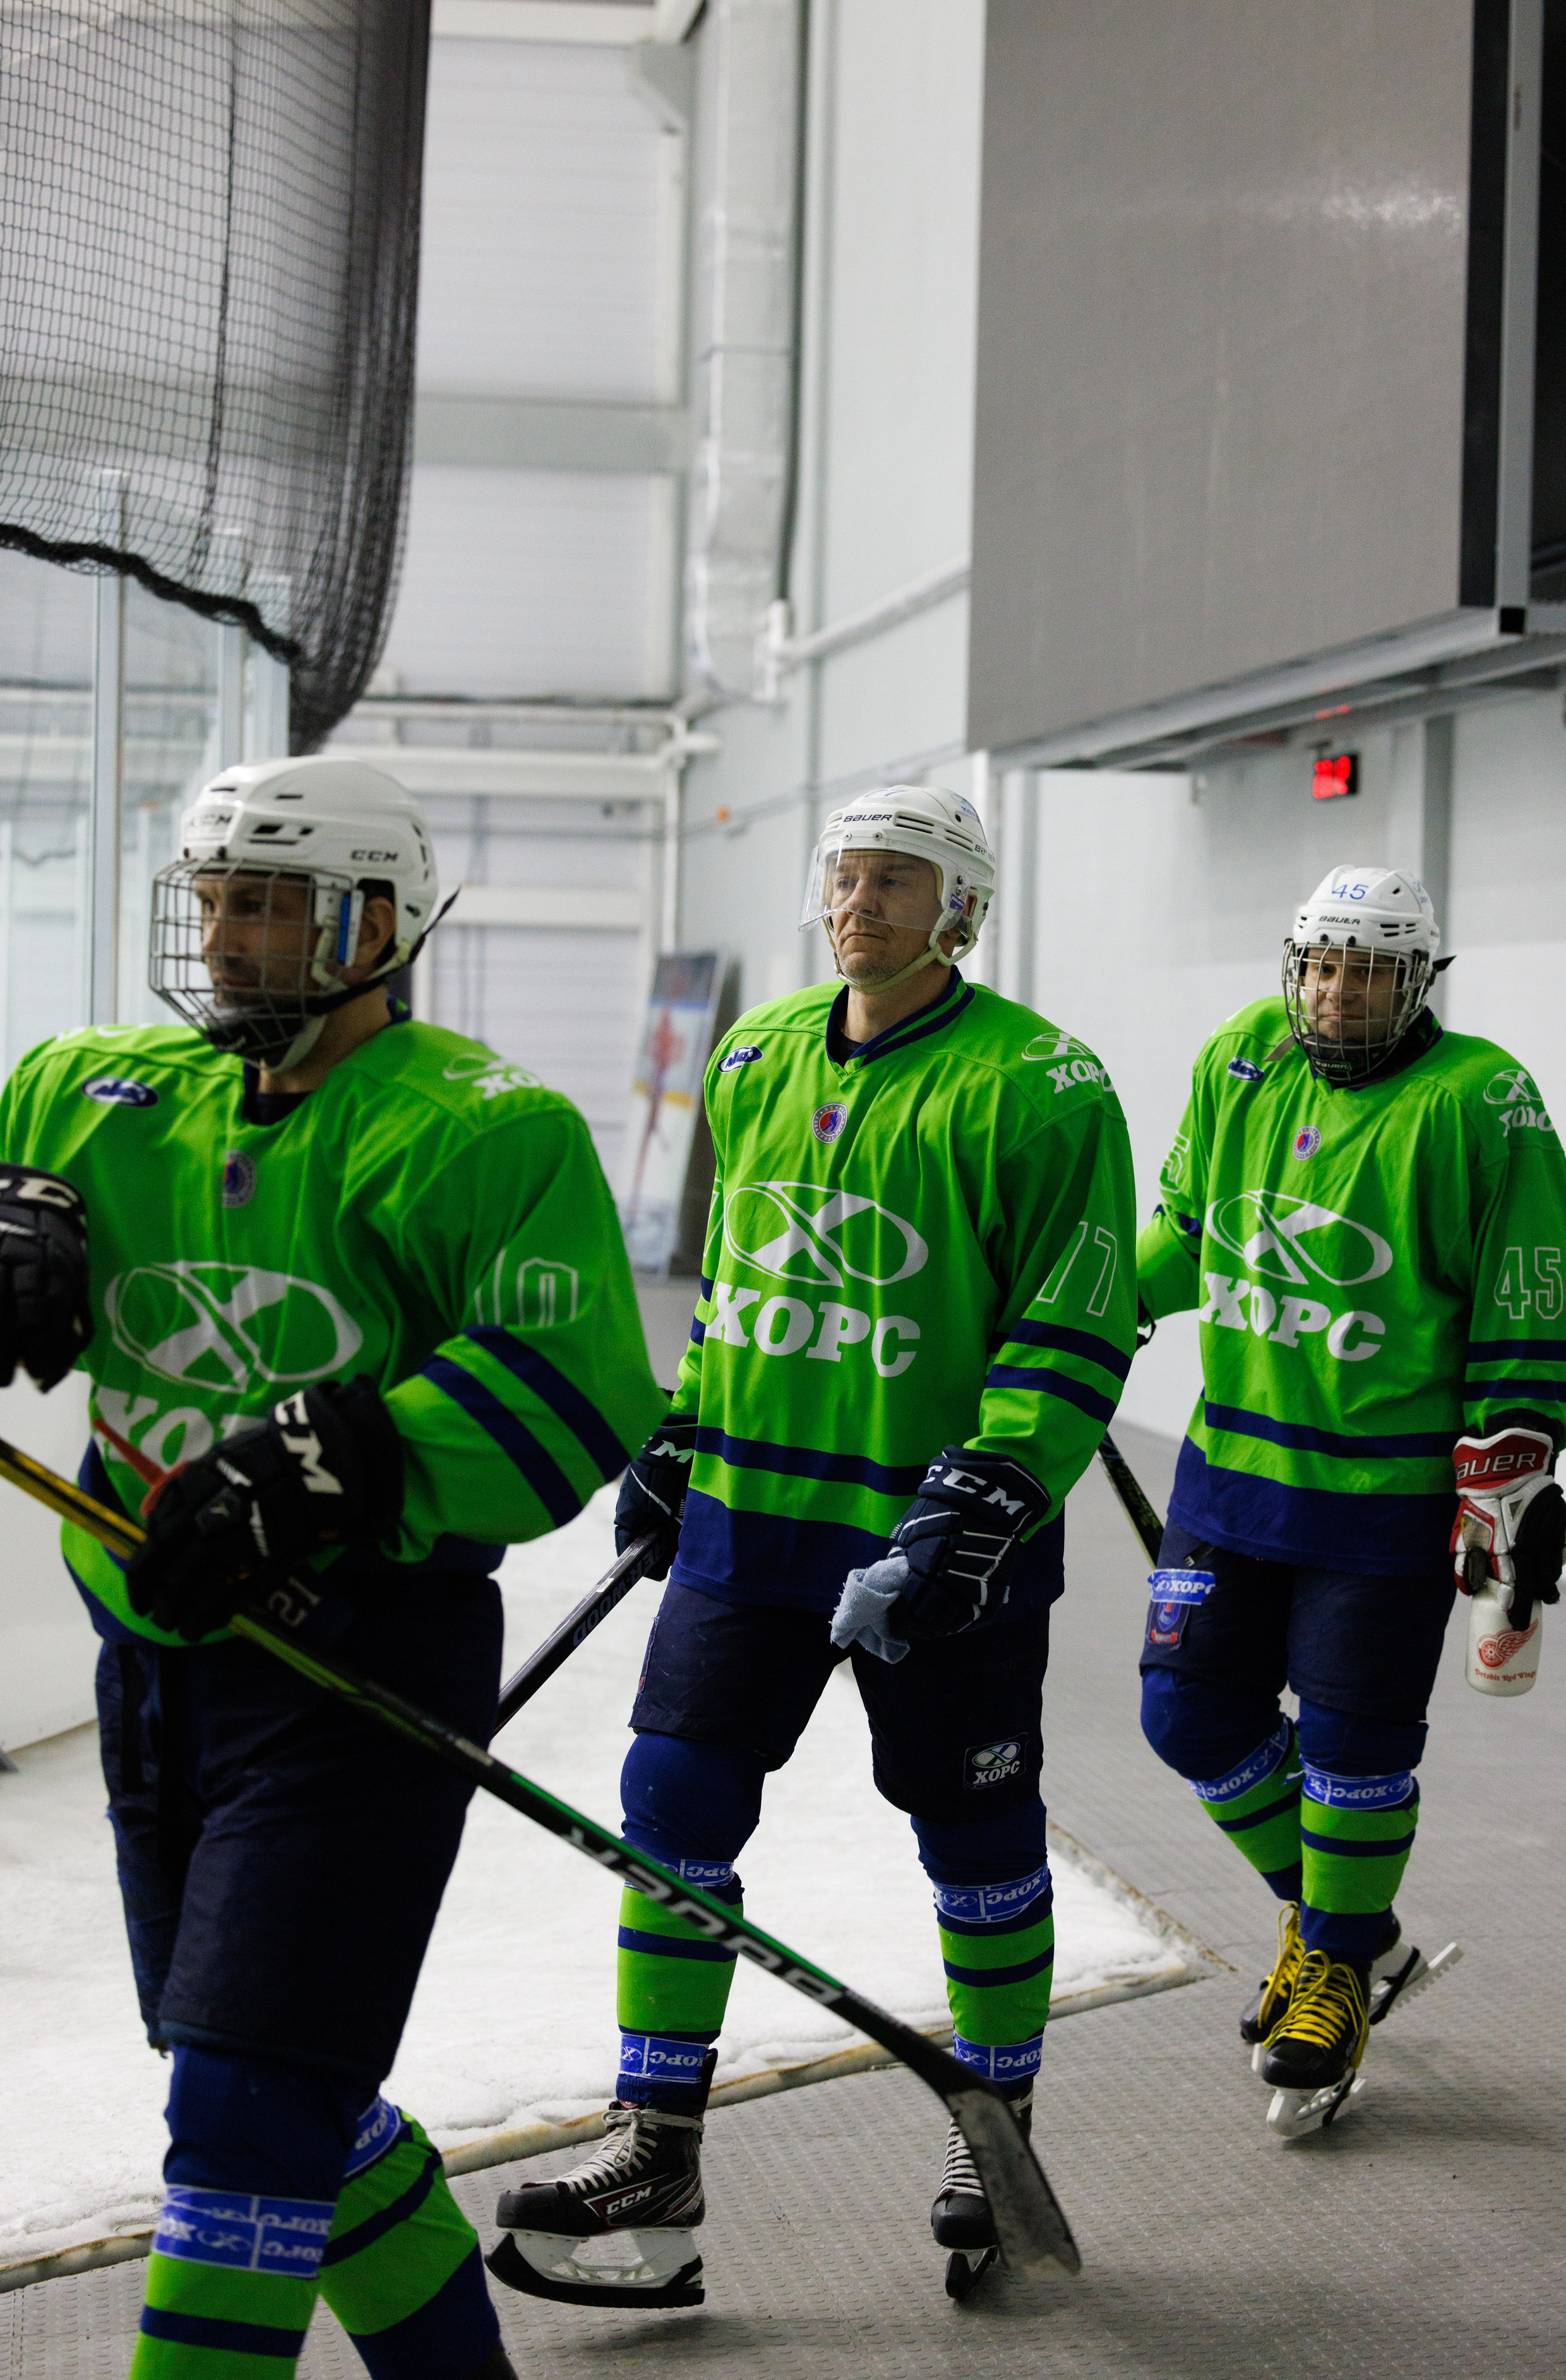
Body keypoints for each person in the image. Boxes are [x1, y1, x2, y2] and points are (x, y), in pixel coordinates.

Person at [0, 757, 663, 2377]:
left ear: (376, 923)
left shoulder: (484, 1128)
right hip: (155, 1669)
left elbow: (575, 1397)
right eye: (215, 896)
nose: (229, 934)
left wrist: (326, 1463)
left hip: (356, 1666)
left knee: (239, 2105)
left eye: (274, 904)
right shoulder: (84, 1088)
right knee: (282, 2086)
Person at [491, 783, 1137, 2305]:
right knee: (671, 1800)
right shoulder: (758, 1052)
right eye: (844, 875)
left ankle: (999, 2119)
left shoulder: (1041, 1084)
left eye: (896, 881)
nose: (858, 902)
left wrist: (992, 1489)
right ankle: (656, 2140)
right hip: (754, 1523)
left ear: (960, 908)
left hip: (939, 1538)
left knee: (971, 1835)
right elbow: (741, 1276)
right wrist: (683, 1425)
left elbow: (1075, 1311)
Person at [1133, 863, 1566, 2136]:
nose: (1338, 992)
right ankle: (1354, 1932)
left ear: (1417, 981)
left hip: (1381, 1500)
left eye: (1371, 969)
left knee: (1349, 1749)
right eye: (1321, 965)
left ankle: (1328, 1967)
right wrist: (1091, 1303)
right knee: (1182, 1711)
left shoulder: (1481, 1099)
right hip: (1226, 1472)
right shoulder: (1239, 1057)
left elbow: (1528, 1297)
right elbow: (1190, 1223)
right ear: (1293, 966)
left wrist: (1516, 1467)